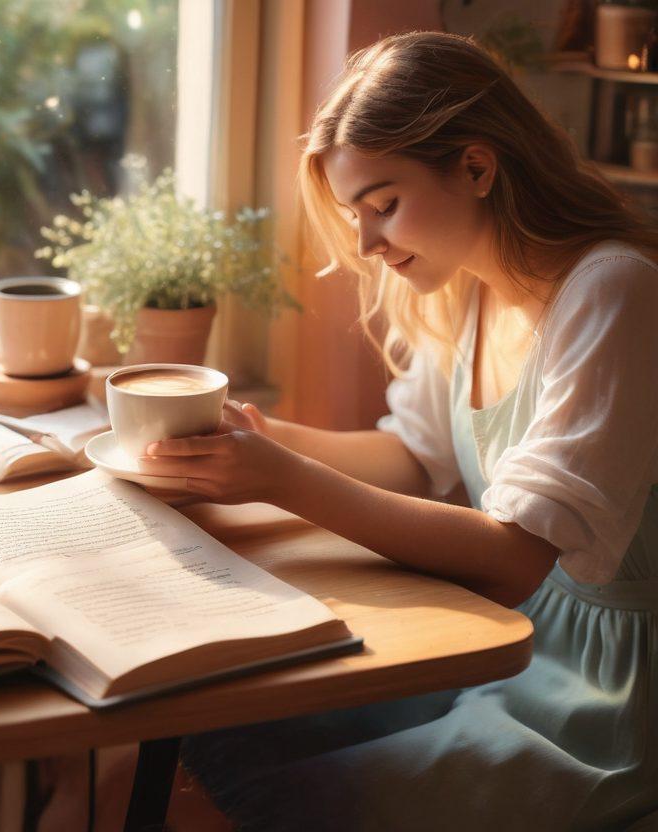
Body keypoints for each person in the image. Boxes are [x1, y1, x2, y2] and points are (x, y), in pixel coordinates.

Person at [136, 31, 658, 831]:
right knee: (172, 742)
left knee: (225, 795)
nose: (367, 244)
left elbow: (516, 556)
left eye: (384, 205)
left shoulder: (612, 292)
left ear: (478, 168)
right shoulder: (465, 291)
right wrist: (261, 437)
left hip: (600, 695)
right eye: (356, 213)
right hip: (494, 641)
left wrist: (279, 477)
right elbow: (414, 461)